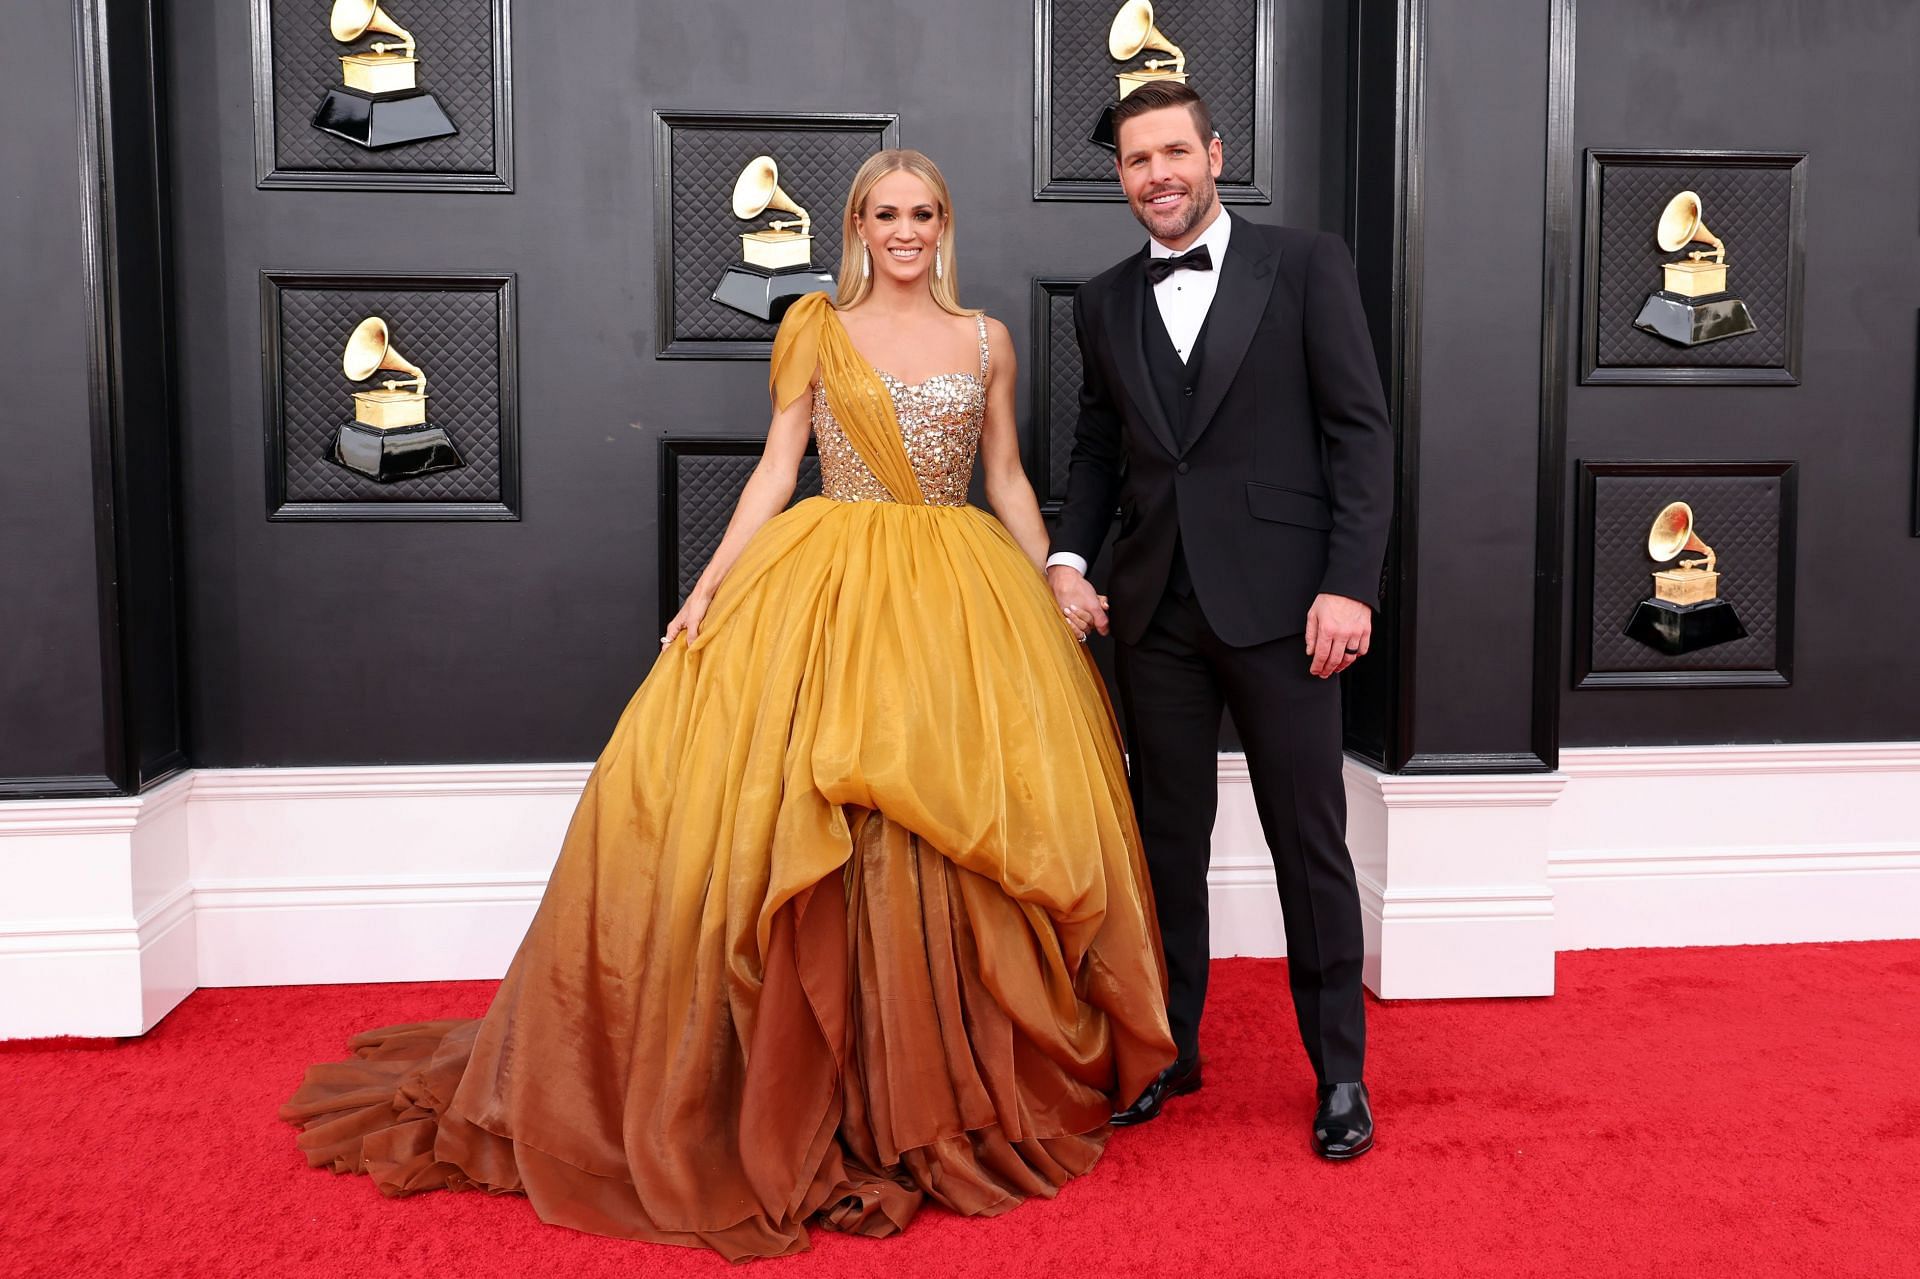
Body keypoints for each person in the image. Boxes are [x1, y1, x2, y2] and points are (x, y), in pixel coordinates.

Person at [281, 150, 1176, 1261]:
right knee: (813, 810)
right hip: (829, 575)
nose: (905, 231)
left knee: (951, 815)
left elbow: (1002, 476)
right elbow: (775, 469)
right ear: (856, 224)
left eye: (924, 214)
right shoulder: (811, 325)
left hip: (962, 588)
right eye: (886, 214)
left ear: (946, 224)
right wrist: (707, 588)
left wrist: (1049, 578)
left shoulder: (988, 338)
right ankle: (822, 1077)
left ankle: (937, 1073)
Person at [1045, 82, 1393, 1160]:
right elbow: (1101, 450)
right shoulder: (1100, 301)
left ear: (1215, 153)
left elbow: (1360, 435)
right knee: (1163, 847)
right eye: (1138, 161)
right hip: (1152, 612)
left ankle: (1339, 1073)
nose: (1159, 175)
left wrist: (1351, 582)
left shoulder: (1306, 265)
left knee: (1310, 845)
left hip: (1291, 609)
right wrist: (1067, 557)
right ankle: (1168, 1050)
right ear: (1121, 177)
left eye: (1175, 154)